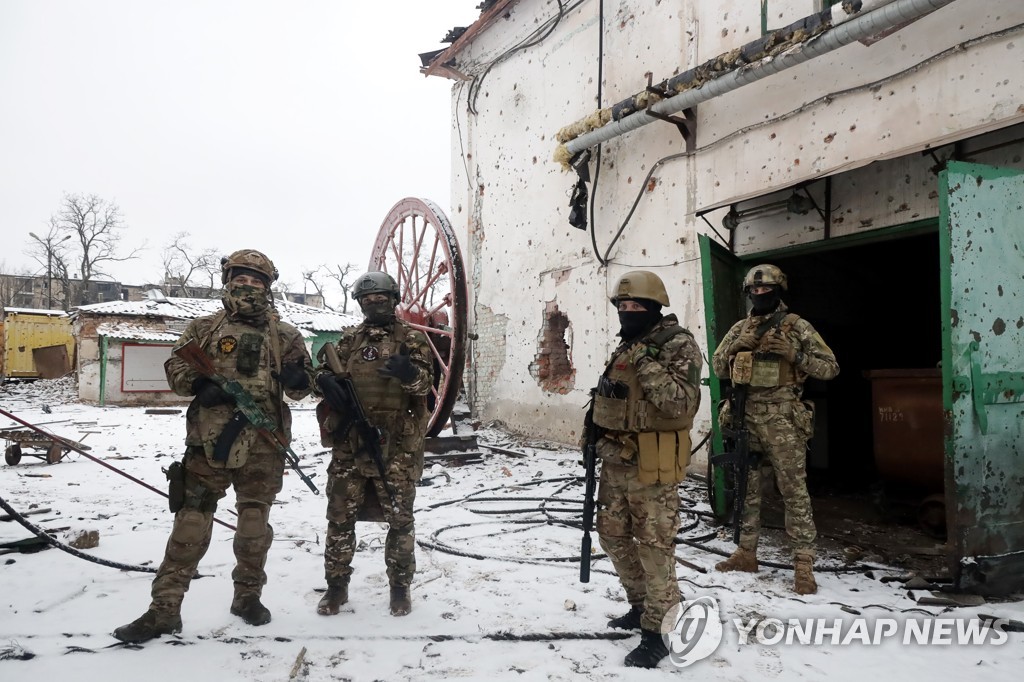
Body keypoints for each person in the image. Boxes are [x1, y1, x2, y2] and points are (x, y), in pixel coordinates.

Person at [113, 249, 314, 643]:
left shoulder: (286, 334)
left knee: (254, 525)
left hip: (263, 445)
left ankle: (247, 597)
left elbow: (302, 389)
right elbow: (176, 367)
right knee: (190, 522)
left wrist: (299, 377)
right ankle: (164, 610)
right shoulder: (203, 328)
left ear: (268, 287)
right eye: (241, 278)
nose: (248, 286)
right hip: (207, 444)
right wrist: (198, 384)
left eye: (257, 281)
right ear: (228, 280)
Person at [589, 271, 703, 669]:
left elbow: (681, 405)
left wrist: (647, 364)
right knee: (612, 537)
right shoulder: (630, 345)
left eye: (636, 306)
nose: (627, 312)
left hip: (652, 466)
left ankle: (660, 629)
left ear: (655, 308)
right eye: (622, 306)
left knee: (656, 549)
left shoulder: (677, 344)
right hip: (616, 460)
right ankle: (640, 606)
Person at [712, 264, 839, 595]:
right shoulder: (741, 327)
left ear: (779, 291)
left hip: (782, 420)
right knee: (748, 489)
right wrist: (737, 345)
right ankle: (746, 553)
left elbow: (830, 368)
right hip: (745, 418)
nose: (760, 295)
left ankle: (803, 564)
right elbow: (717, 367)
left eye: (766, 291)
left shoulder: (797, 327)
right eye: (754, 292)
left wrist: (795, 354)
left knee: (793, 491)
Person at [312, 271, 433, 617]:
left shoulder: (412, 339)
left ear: (394, 299)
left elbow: (425, 387)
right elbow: (315, 375)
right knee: (339, 518)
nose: (374, 304)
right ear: (360, 304)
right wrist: (323, 380)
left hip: (395, 449)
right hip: (350, 445)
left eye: (381, 298)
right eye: (368, 300)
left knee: (399, 520)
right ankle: (336, 588)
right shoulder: (349, 341)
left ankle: (399, 588)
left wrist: (409, 374)